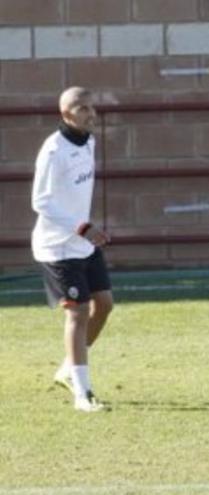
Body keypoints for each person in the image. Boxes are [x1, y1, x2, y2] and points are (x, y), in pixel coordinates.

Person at [32, 86, 113, 413]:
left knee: (104, 305)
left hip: (82, 242)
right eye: (82, 108)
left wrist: (86, 230)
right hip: (57, 247)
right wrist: (82, 227)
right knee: (77, 312)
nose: (90, 113)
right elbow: (41, 201)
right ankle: (83, 394)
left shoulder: (89, 141)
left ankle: (68, 368)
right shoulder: (53, 150)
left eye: (92, 107)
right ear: (65, 113)